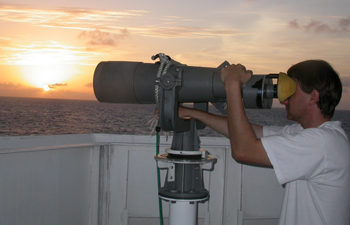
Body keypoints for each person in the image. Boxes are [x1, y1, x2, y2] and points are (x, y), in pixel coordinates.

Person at [179, 60, 350, 225]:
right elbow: (254, 133)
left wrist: (232, 85)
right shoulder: (309, 134)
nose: (283, 100)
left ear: (313, 97)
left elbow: (243, 151)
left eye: (291, 91)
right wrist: (192, 113)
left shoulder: (323, 143)